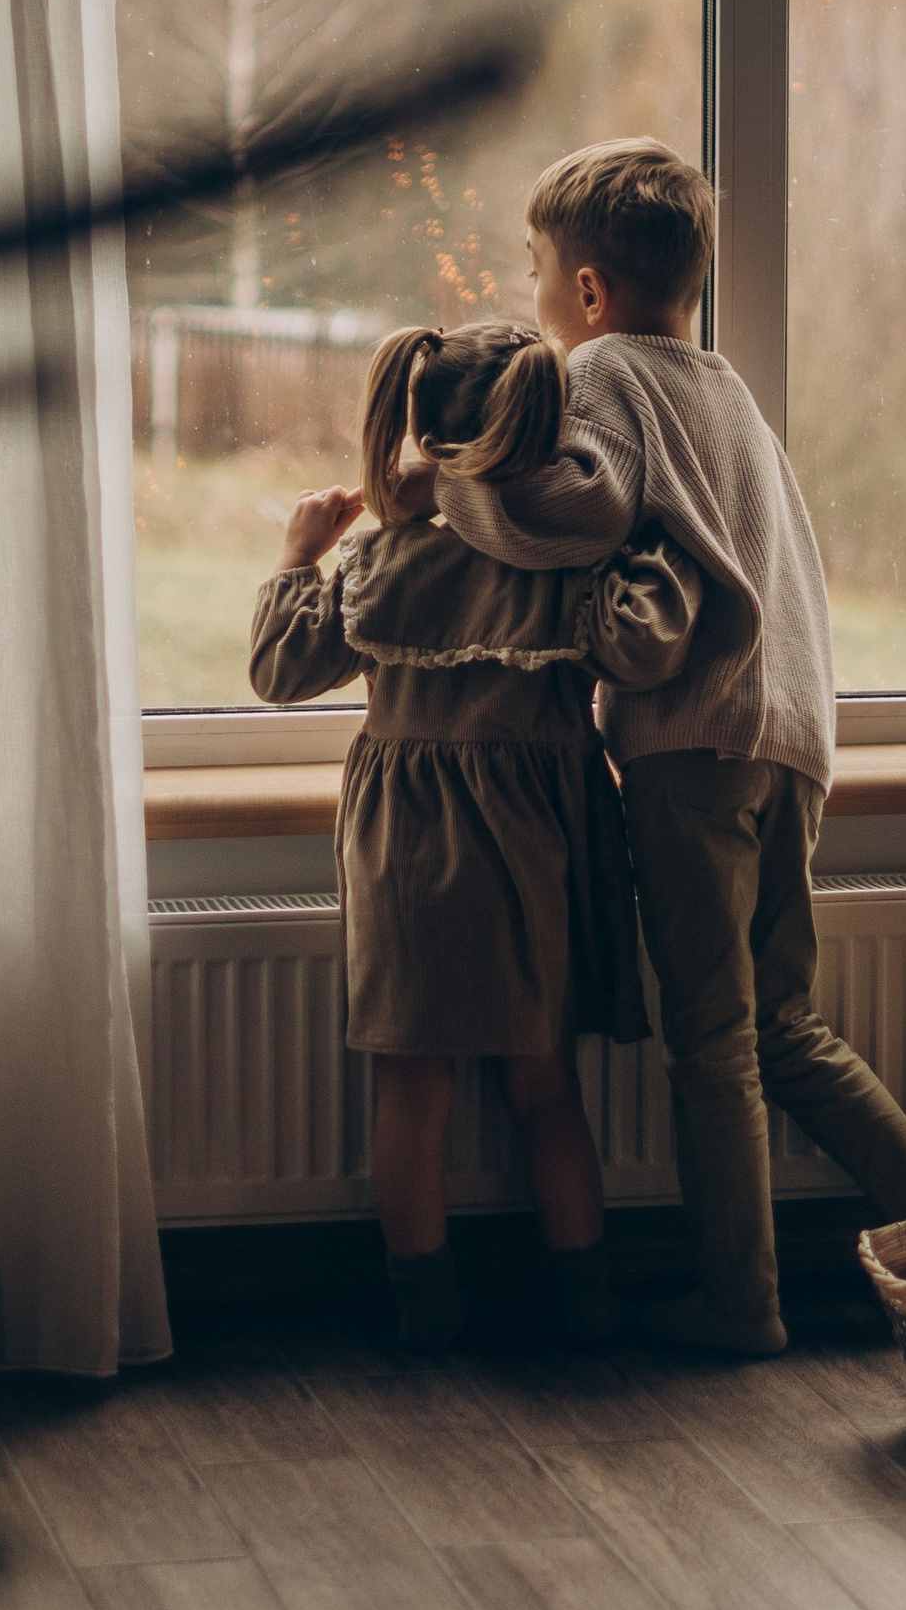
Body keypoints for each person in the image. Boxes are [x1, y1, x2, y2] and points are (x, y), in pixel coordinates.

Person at [434, 137, 906, 1357]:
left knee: (713, 1041)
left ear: (588, 293)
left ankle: (741, 1304)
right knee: (786, 1029)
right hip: (790, 740)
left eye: (534, 276)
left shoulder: (608, 370)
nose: (534, 302)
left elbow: (584, 508)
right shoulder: (726, 386)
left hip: (694, 749)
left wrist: (447, 487)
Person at [249, 314, 700, 1354]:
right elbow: (647, 652)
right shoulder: (564, 562)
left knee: (414, 1084)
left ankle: (425, 1311)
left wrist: (295, 556)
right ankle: (586, 1302)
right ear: (546, 429)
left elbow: (278, 673)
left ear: (416, 419)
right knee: (545, 1087)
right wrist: (653, 540)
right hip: (537, 849)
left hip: (408, 847)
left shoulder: (380, 559)